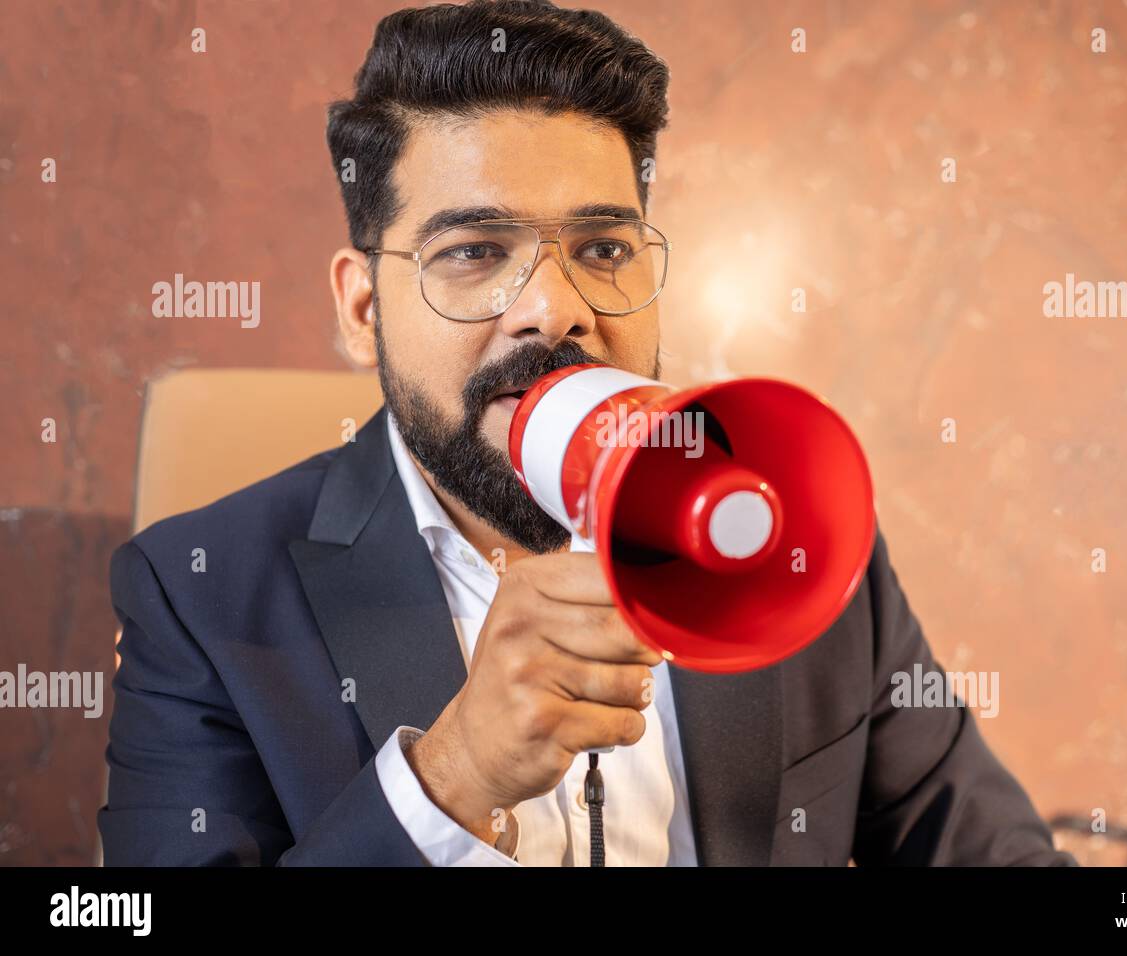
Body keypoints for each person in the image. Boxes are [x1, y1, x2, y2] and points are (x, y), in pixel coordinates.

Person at [99, 0, 1075, 867]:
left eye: (601, 249)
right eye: (476, 253)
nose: (552, 309)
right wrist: (452, 777)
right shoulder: (199, 594)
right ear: (363, 311)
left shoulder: (790, 538)